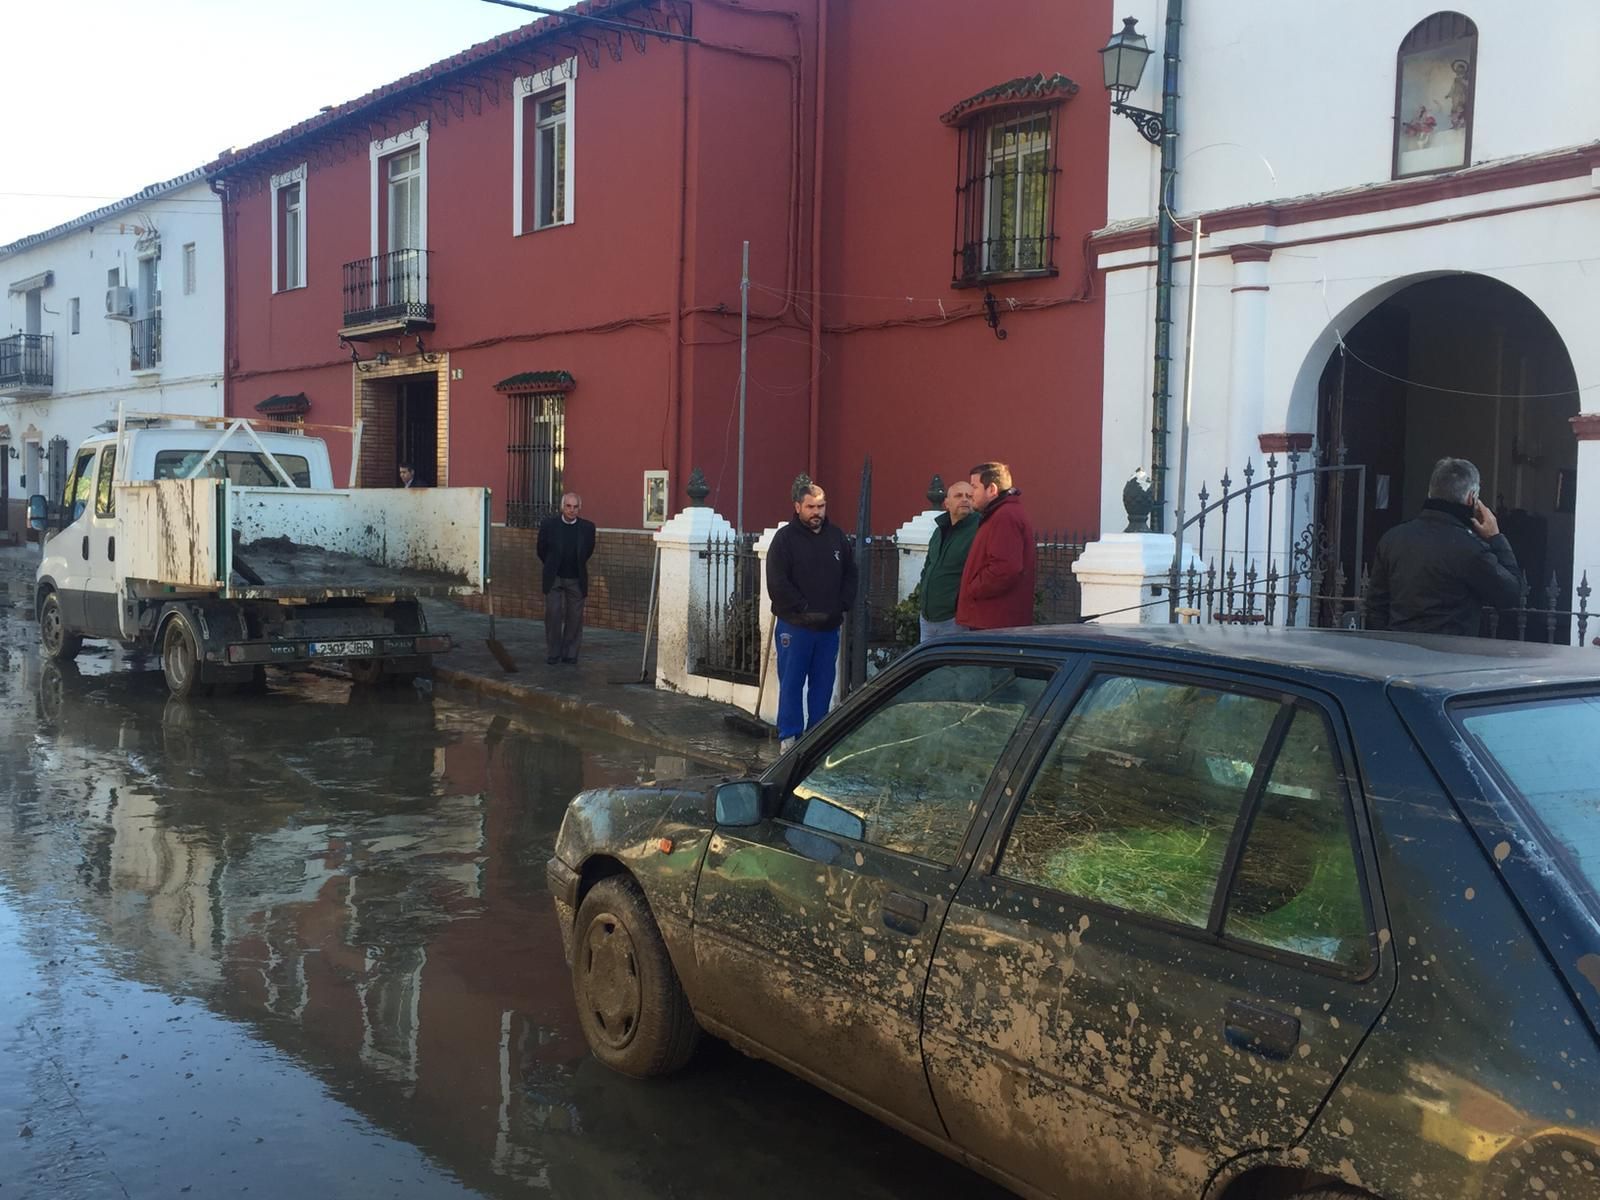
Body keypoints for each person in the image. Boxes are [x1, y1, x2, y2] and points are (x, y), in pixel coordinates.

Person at [1364, 457, 1521, 637]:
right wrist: (1496, 537)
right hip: (1450, 656)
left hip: (1400, 652)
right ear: (1472, 498)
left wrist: (1389, 646)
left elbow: (1375, 606)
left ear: (1430, 493)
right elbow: (1511, 595)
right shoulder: (1470, 549)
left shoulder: (1393, 539)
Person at [766, 477, 857, 751]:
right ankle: (790, 737)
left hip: (828, 628)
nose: (817, 512)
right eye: (811, 507)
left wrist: (842, 603)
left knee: (823, 685)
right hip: (795, 627)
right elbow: (777, 581)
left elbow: (850, 573)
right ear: (797, 507)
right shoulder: (784, 540)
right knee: (792, 683)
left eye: (821, 506)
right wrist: (802, 607)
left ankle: (817, 736)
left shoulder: (837, 537)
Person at [956, 461, 1037, 630]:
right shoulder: (998, 514)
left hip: (993, 622)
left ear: (991, 489)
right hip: (992, 620)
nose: (971, 494)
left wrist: (972, 589)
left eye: (974, 487)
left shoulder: (1004, 517)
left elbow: (1005, 569)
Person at [537, 492, 598, 665]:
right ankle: (554, 653)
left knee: (575, 618)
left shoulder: (587, 528)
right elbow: (541, 549)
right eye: (568, 506)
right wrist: (551, 564)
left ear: (580, 508)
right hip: (554, 577)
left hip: (576, 578)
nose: (571, 510)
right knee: (553, 615)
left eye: (575, 507)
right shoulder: (549, 525)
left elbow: (588, 551)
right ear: (562, 507)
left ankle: (570, 653)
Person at [918, 480, 978, 641]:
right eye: (959, 496)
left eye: (969, 496)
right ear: (947, 503)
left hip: (956, 620)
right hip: (927, 619)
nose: (965, 499)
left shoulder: (979, 530)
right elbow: (928, 567)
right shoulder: (939, 531)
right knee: (927, 666)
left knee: (954, 667)